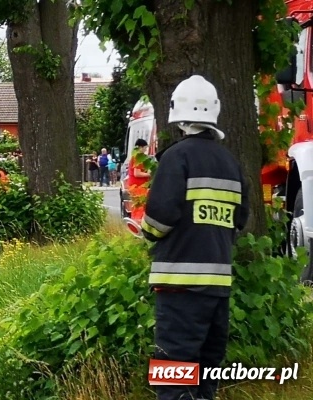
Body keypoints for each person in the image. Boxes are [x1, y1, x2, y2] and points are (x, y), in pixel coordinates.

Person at [140, 75, 249, 400]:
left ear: (179, 114)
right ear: (213, 113)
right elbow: (240, 220)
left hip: (178, 291)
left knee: (174, 376)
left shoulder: (177, 158)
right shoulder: (231, 163)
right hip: (217, 291)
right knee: (205, 378)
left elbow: (159, 218)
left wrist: (145, 233)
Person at [127, 139, 152, 222]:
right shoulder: (137, 158)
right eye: (145, 147)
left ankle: (136, 223)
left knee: (138, 206)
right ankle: (137, 223)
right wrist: (149, 174)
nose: (146, 149)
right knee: (139, 206)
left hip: (137, 185)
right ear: (140, 147)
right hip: (137, 186)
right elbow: (136, 173)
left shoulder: (138, 157)